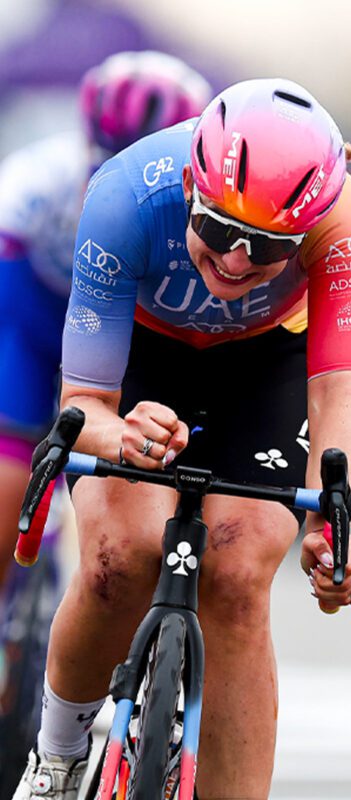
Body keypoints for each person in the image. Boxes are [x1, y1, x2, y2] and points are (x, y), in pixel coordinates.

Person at [13, 77, 351, 799]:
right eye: (218, 229)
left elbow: (338, 392)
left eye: (267, 246)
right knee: (119, 557)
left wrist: (331, 527)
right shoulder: (123, 196)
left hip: (266, 362)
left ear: (307, 228)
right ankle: (56, 760)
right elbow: (86, 403)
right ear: (189, 186)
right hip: (144, 356)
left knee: (238, 576)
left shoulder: (343, 219)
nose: (236, 260)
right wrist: (119, 434)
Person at [0, 50, 213, 588]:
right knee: (7, 485)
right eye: (106, 166)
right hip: (36, 321)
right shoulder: (36, 178)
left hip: (129, 325)